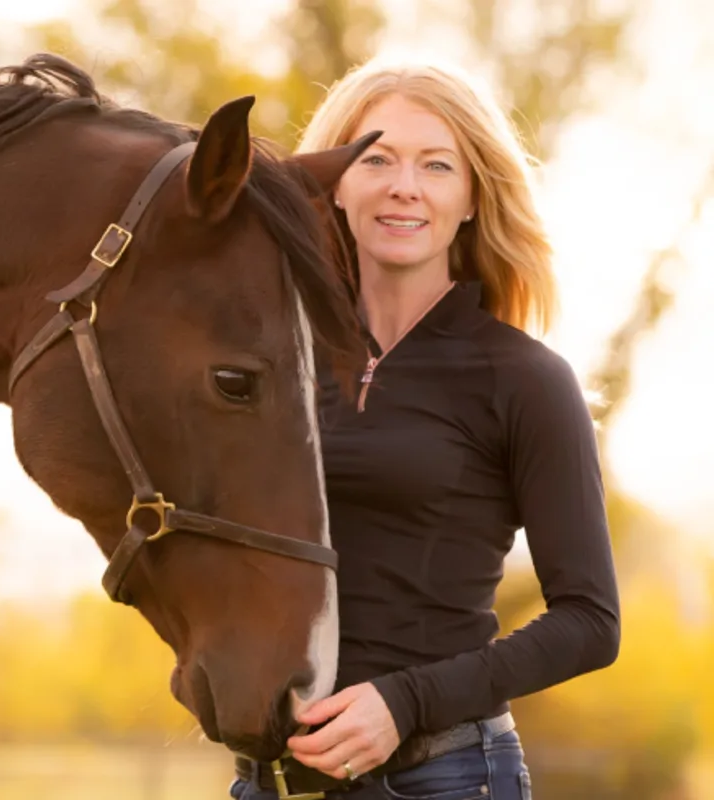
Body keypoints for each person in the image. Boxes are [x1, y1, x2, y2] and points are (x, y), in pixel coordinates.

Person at [230, 56, 620, 800]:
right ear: (335, 184)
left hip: (444, 776)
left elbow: (590, 621)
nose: (403, 185)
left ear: (471, 198)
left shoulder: (525, 379)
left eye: (436, 165)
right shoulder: (274, 365)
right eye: (375, 157)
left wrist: (403, 701)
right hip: (272, 783)